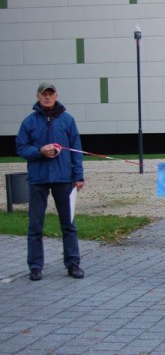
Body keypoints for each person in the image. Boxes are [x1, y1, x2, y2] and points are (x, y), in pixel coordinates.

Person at [16, 83, 85, 281]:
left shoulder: (67, 120)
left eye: (51, 94)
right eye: (44, 94)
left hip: (64, 179)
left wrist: (78, 176)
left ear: (56, 95)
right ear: (38, 96)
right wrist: (39, 152)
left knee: (68, 224)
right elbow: (21, 148)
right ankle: (36, 266)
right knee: (35, 225)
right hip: (38, 180)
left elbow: (76, 149)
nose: (47, 97)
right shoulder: (29, 122)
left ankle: (73, 264)